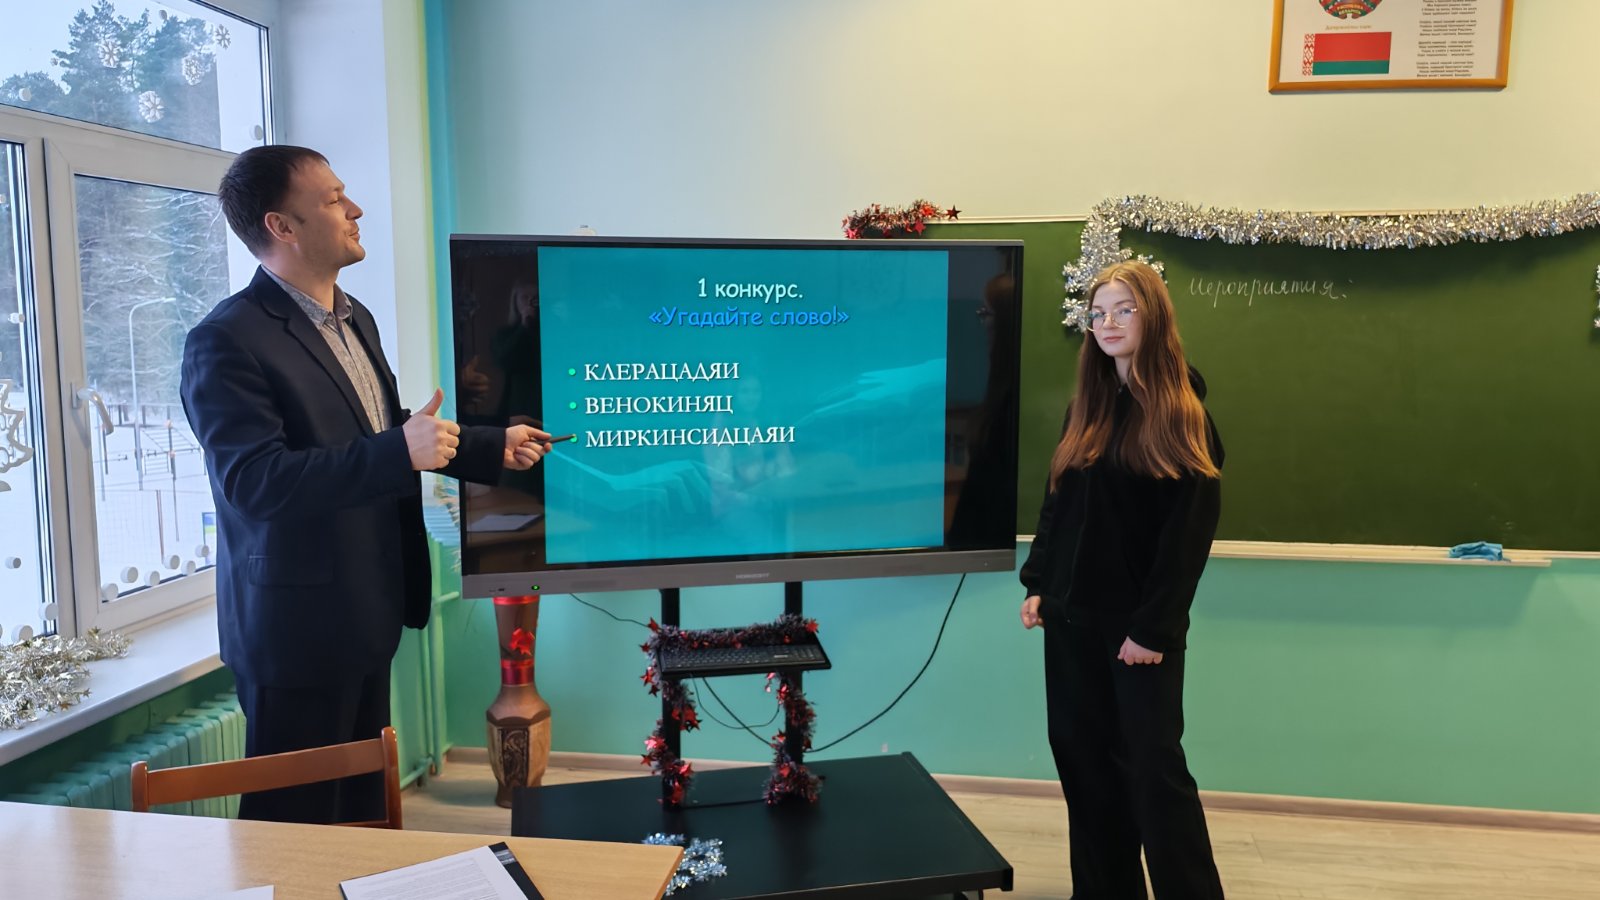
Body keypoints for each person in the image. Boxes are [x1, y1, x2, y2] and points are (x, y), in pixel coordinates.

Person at [180, 145, 553, 824]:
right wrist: (397, 448)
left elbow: (380, 434)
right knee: (293, 832)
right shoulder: (225, 340)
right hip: (295, 636)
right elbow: (255, 483)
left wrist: (491, 445)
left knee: (362, 819)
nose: (355, 209)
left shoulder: (356, 318)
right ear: (282, 226)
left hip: (365, 612)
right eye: (333, 199)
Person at [1019, 259, 1226, 898]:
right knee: (1084, 767)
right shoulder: (1086, 410)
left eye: (1125, 310)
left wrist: (1153, 629)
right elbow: (1058, 506)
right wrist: (1039, 583)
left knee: (1152, 774)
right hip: (1071, 623)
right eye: (1099, 312)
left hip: (1138, 634)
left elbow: (1186, 537)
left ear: (1152, 317)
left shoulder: (1181, 414)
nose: (1108, 323)